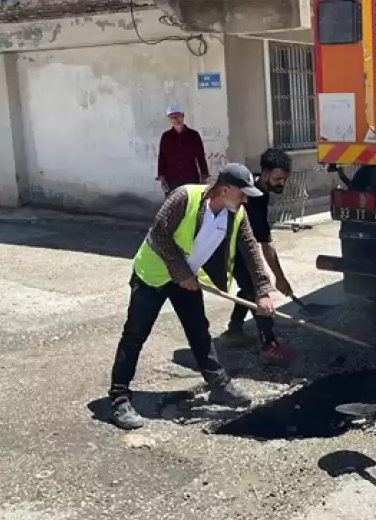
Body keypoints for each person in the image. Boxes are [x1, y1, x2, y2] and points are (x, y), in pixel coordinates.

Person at [107, 163, 277, 430]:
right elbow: (159, 235)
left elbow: (252, 252)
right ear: (225, 188)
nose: (245, 199)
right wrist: (181, 272)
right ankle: (118, 397)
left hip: (186, 280)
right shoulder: (184, 197)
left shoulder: (236, 214)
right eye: (242, 193)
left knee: (199, 331)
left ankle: (219, 386)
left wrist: (263, 292)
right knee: (135, 334)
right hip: (152, 275)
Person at [219, 148, 297, 363]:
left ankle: (234, 330)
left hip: (239, 245)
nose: (282, 183)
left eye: (284, 179)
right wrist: (279, 278)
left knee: (249, 287)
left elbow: (260, 240)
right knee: (257, 291)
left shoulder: (259, 192)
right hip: (224, 246)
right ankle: (268, 344)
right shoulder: (250, 194)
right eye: (278, 178)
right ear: (264, 174)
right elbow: (265, 245)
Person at [157, 103, 210, 196]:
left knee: (192, 206)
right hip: (172, 180)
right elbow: (162, 158)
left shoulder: (193, 135)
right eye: (172, 117)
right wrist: (162, 178)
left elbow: (200, 156)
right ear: (169, 119)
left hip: (191, 178)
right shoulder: (166, 137)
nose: (176, 120)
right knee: (174, 208)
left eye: (178, 116)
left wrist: (204, 175)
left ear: (183, 116)